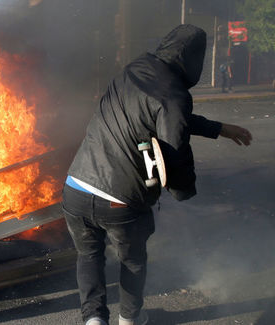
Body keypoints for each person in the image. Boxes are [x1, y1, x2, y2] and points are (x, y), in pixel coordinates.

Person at [62, 25, 252, 325]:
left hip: (76, 187)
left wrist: (218, 129)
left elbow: (168, 118)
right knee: (133, 261)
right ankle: (130, 318)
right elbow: (174, 145)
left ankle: (94, 320)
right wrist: (183, 191)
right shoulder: (174, 95)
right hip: (120, 200)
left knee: (88, 256)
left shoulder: (134, 69)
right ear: (194, 59)